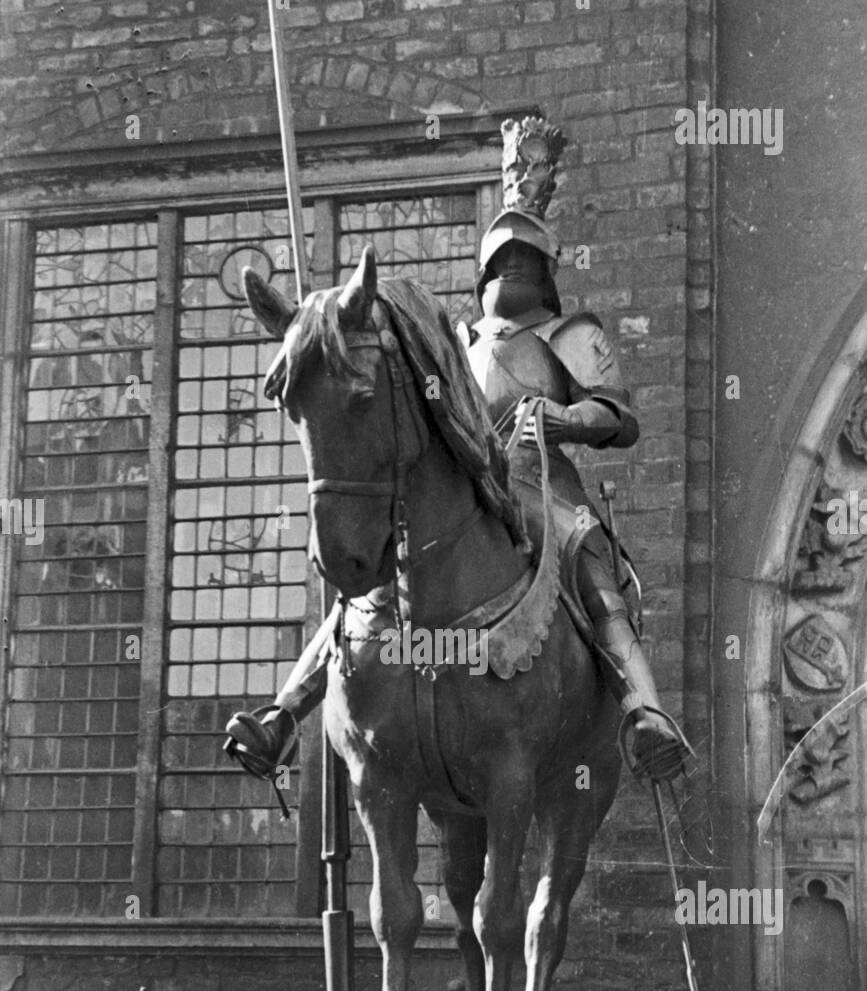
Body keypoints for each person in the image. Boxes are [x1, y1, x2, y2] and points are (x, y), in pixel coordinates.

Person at [225, 115, 689, 783]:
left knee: (587, 563)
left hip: (542, 482)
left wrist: (560, 419)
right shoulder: (460, 342)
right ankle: (284, 713)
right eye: (503, 261)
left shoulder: (571, 332)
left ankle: (643, 713)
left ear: (546, 271)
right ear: (484, 271)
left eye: (525, 261)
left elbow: (616, 417)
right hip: (472, 480)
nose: (513, 270)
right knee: (370, 589)